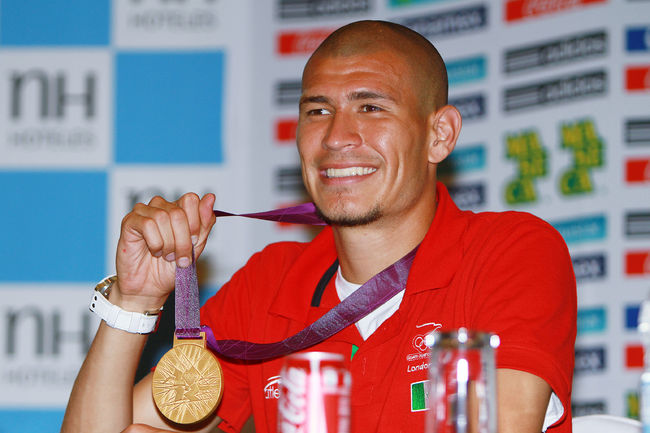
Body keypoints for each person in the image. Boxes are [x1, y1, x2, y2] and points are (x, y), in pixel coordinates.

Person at [62, 20, 576, 433]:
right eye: (317, 110)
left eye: (370, 107)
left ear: (439, 135)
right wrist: (134, 303)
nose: (336, 136)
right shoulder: (269, 285)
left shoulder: (510, 251)